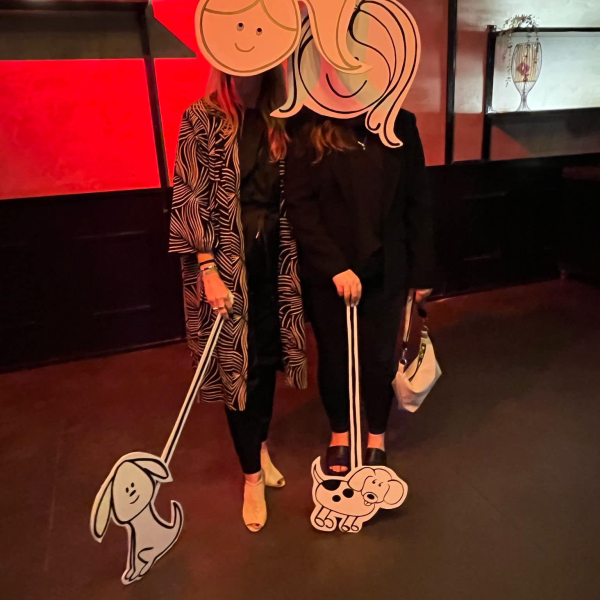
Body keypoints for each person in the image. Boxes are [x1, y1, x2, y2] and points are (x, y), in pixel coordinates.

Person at [169, 66, 307, 532]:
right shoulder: (202, 117)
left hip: (275, 262)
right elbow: (188, 195)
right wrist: (207, 269)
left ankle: (260, 447)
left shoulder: (281, 117)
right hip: (227, 264)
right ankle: (251, 477)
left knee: (266, 360)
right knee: (237, 368)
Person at [284, 112, 435, 474]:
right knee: (335, 357)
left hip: (387, 267)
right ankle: (340, 434)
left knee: (380, 358)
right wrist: (334, 266)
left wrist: (423, 270)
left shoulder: (401, 124)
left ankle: (376, 437)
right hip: (330, 272)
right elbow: (300, 206)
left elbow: (418, 200)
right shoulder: (308, 127)